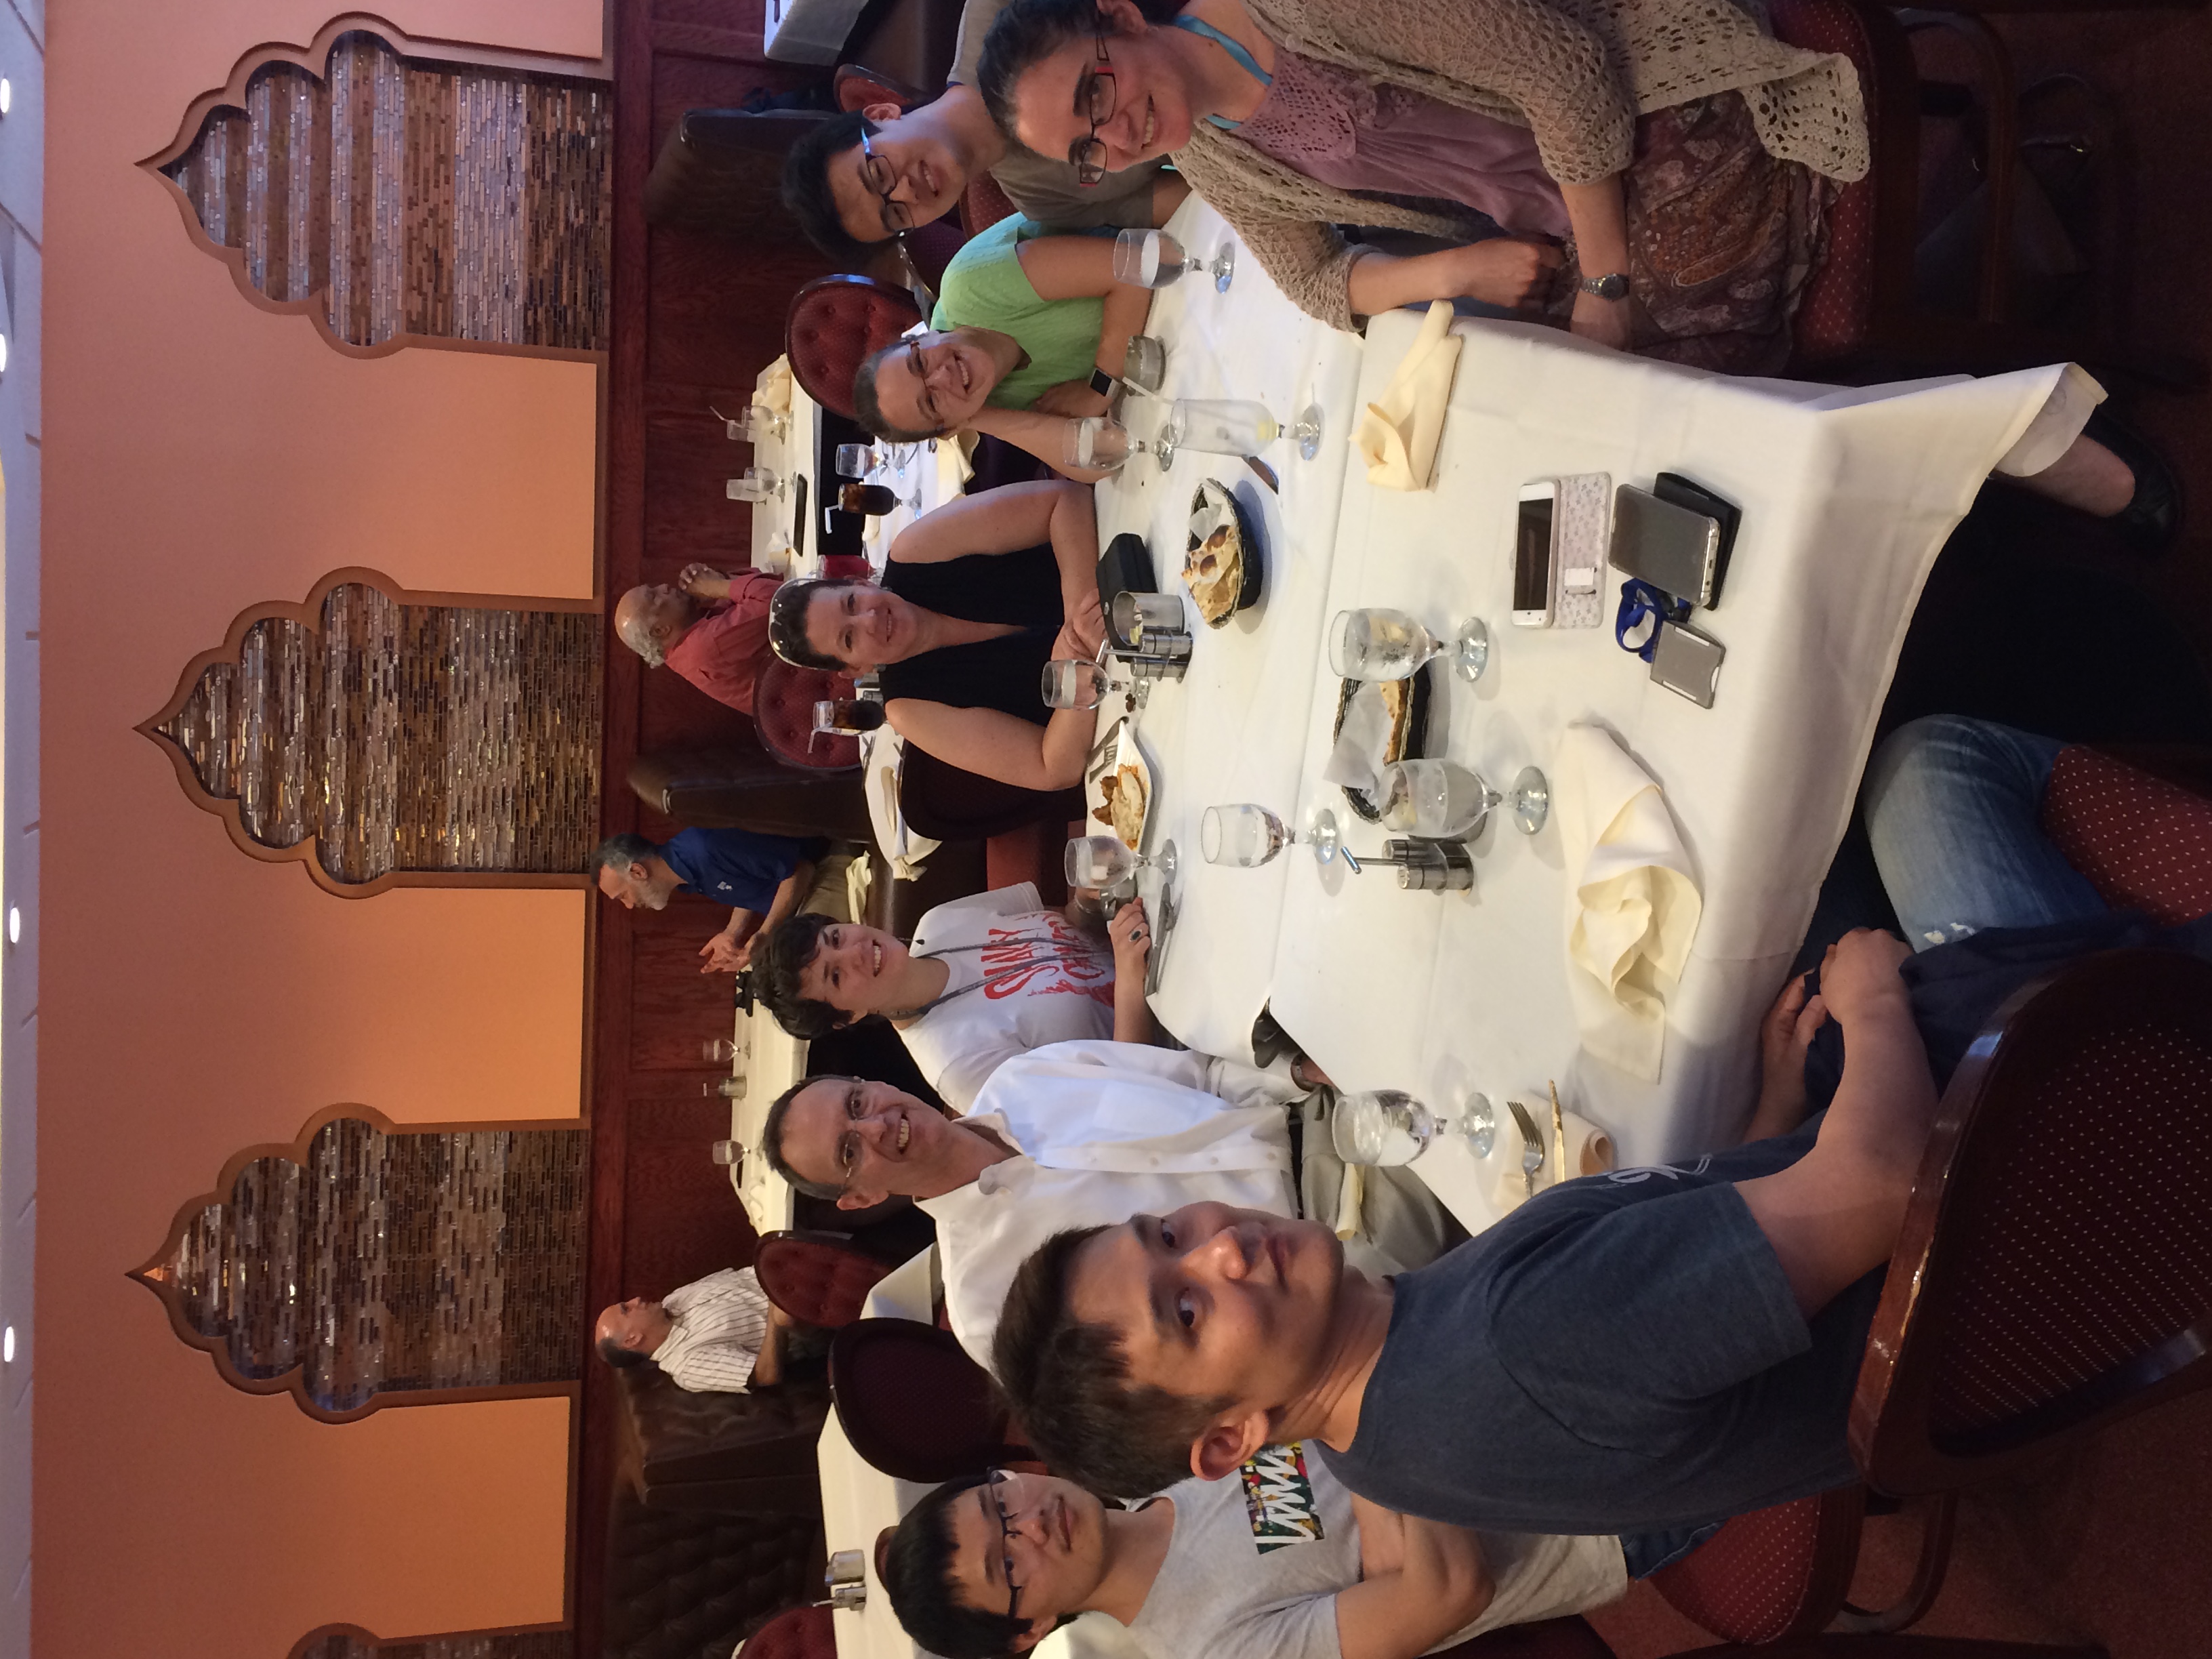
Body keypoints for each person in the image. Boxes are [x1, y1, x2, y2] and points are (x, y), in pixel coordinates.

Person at [975, 0, 1873, 370]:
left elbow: (1564, 70)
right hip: (1565, 226)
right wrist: (1459, 271)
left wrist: (1603, 285)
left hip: (1652, 111)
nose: (1120, 133)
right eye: (1089, 150)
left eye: (1097, 92)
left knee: (1658, 372)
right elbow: (1318, 283)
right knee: (1536, 393)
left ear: (1121, 20)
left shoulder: (1295, 12)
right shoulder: (1206, 150)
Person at [758, 1040, 1461, 1370]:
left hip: (1337, 1111)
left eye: (858, 1102)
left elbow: (1204, 1073)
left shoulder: (1022, 1077)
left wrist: (1304, 1073)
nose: (877, 1124)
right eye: (852, 1150)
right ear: (863, 1196)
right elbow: (1160, 1401)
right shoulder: (989, 1308)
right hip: (1341, 1260)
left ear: (872, 1079)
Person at [882, 1460, 1625, 1659]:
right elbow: (1453, 1587)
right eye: (1008, 1568)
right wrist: (1364, 1423)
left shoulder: (1169, 1470)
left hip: (1516, 1388)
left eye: (999, 1506)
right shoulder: (1212, 1642)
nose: (1030, 1527)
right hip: (1598, 1510)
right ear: (1028, 1631)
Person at [780, 0, 1185, 266]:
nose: (906, 194)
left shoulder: (996, 10)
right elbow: (1188, 203)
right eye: (896, 215)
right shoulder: (1045, 203)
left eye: (879, 174)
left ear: (883, 113)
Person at [766, 480, 1105, 796]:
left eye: (851, 603)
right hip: (1117, 700)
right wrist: (1072, 673)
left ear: (860, 582)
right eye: (849, 639)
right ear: (854, 669)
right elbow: (1051, 769)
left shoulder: (918, 549)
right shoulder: (910, 709)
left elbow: (1064, 500)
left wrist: (1080, 619)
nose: (869, 619)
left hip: (1126, 578)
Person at [754, 882, 1170, 1111]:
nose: (855, 952)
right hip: (1183, 1036)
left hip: (1164, 936)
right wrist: (1131, 978)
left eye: (836, 937)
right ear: (849, 1017)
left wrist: (1087, 896)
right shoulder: (959, 1069)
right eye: (837, 975)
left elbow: (1066, 919)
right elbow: (1123, 1105)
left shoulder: (940, 920)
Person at [850, 220, 1151, 480]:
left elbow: (1134, 266)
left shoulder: (970, 287)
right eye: (931, 401)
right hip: (1163, 349)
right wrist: (980, 416)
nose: (943, 375)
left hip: (1178, 252)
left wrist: (1099, 389)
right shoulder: (984, 398)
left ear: (923, 336)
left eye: (919, 362)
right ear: (948, 429)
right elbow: (1103, 461)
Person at [592, 828, 830, 974]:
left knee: (807, 962)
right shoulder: (684, 879)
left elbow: (801, 869)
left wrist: (765, 933)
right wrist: (732, 932)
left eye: (623, 896)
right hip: (802, 899)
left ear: (638, 872)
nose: (629, 905)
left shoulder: (707, 848)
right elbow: (749, 884)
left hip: (826, 867)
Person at [613, 562, 783, 714]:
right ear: (660, 630)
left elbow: (762, 582)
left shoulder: (689, 638)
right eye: (654, 597)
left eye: (654, 587)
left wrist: (720, 581)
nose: (664, 586)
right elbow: (781, 599)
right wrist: (718, 587)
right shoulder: (704, 646)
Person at [593, 1268, 799, 1391]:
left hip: (790, 1270)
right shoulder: (688, 1364)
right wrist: (776, 1312)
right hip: (801, 1310)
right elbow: (766, 1375)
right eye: (627, 1309)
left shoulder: (672, 1300)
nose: (636, 1300)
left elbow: (742, 1273)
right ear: (632, 1339)